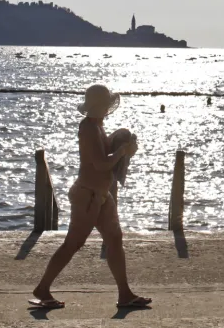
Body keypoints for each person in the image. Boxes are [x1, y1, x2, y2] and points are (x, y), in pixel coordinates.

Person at [30, 84, 152, 310]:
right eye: (105, 105)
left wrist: (126, 146)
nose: (107, 109)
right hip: (87, 197)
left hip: (102, 195)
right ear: (100, 106)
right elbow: (101, 163)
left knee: (115, 239)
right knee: (72, 244)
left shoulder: (98, 126)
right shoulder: (87, 128)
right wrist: (121, 152)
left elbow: (110, 158)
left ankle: (125, 294)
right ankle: (42, 288)